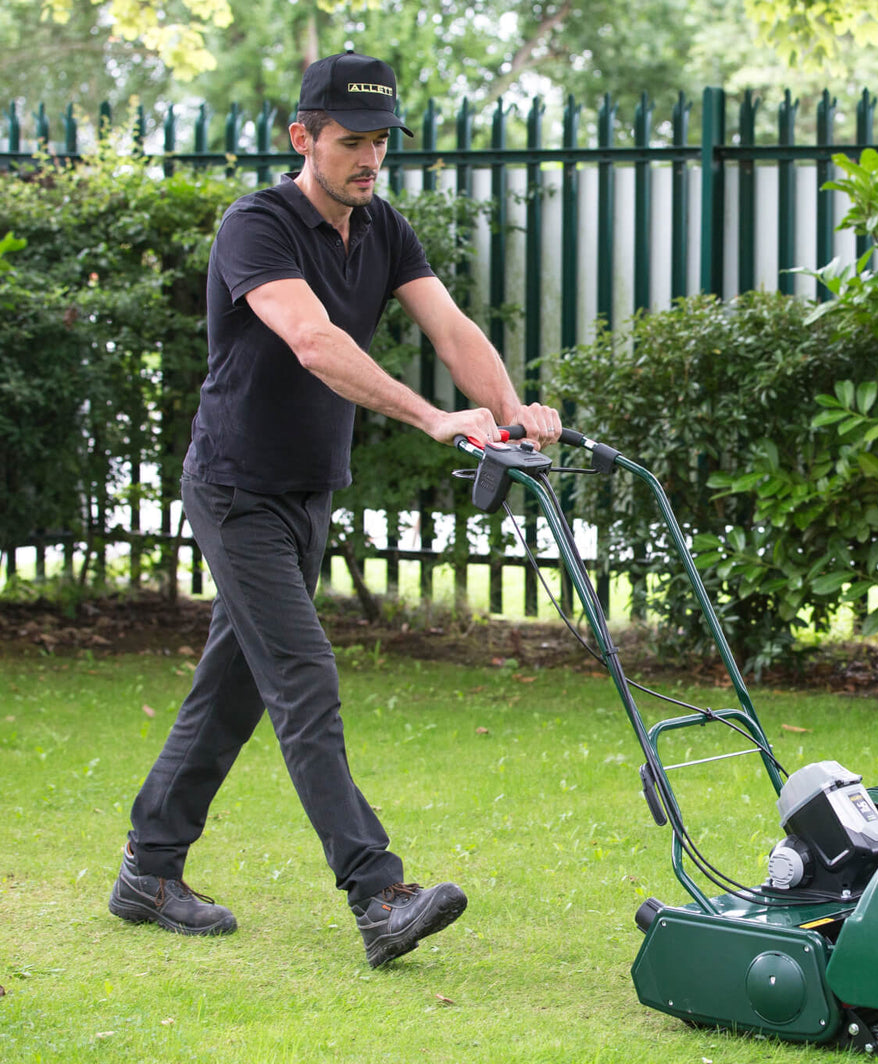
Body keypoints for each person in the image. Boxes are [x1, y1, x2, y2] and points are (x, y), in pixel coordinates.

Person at [107, 51, 561, 967]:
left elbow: (451, 329)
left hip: (307, 490)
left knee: (234, 686)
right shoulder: (256, 225)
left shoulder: (383, 227)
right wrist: (435, 417)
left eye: (381, 142)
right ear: (302, 137)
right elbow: (313, 340)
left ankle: (148, 871)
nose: (370, 158)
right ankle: (378, 892)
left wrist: (513, 415)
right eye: (351, 141)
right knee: (304, 675)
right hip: (235, 489)